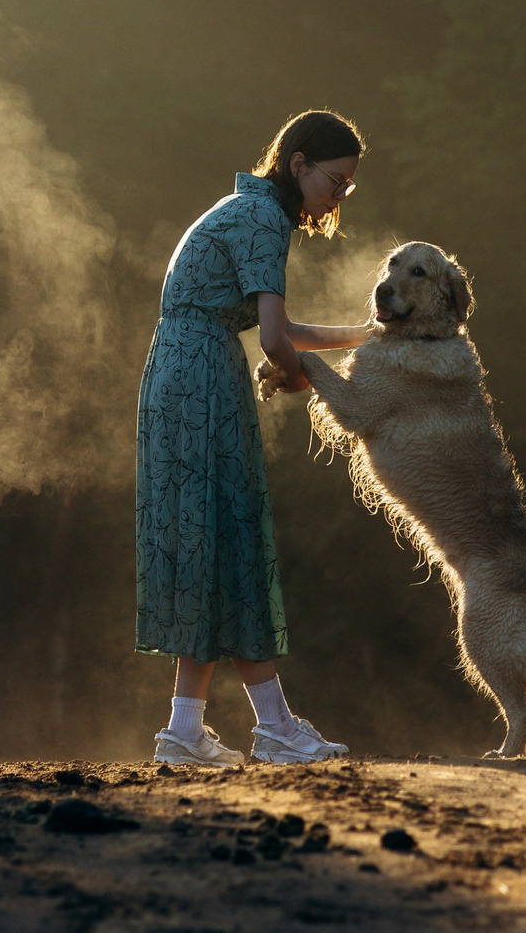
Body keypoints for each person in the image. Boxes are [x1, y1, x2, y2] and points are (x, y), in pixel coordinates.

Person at [136, 108, 377, 766]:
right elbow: (274, 342)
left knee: (208, 541)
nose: (338, 195)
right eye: (336, 179)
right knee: (233, 537)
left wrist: (365, 339)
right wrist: (304, 380)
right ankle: (273, 726)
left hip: (183, 367)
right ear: (298, 163)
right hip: (202, 374)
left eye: (348, 186)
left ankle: (184, 730)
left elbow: (284, 329)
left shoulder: (250, 210)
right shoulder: (265, 218)